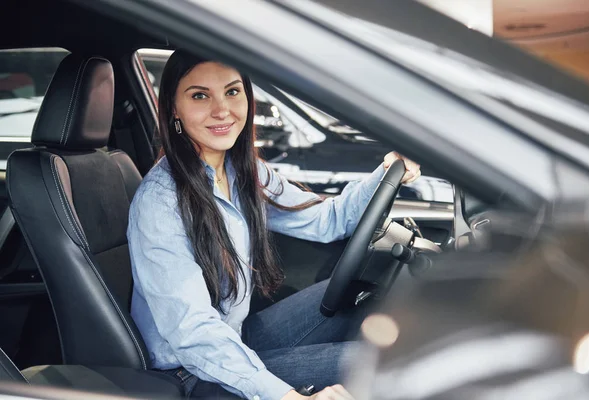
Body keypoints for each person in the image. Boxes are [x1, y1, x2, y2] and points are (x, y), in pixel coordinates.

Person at [127, 50, 420, 400]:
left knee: (360, 296)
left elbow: (327, 221)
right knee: (397, 363)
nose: (222, 110)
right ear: (174, 108)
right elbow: (191, 332)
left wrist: (387, 173)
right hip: (191, 371)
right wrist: (286, 396)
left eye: (232, 92)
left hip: (234, 336)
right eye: (200, 96)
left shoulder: (244, 172)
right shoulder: (160, 201)